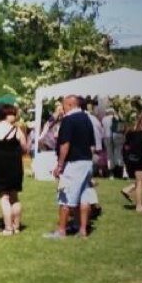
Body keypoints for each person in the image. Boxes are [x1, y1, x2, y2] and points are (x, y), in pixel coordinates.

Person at [46, 95, 96, 239]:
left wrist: (60, 165)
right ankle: (82, 230)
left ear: (69, 104)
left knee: (65, 196)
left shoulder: (68, 120)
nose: (62, 108)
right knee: (84, 196)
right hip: (86, 161)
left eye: (63, 105)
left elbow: (65, 145)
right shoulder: (87, 119)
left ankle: (61, 231)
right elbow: (92, 146)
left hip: (73, 163)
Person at [0, 105, 28, 235]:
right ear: (6, 115)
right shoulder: (17, 130)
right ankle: (16, 226)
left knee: (3, 197)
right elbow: (25, 148)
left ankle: (8, 228)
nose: (15, 116)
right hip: (14, 165)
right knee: (14, 196)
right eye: (13, 114)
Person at [120, 118, 142, 212]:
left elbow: (126, 148)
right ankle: (139, 206)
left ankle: (127, 189)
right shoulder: (140, 135)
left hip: (131, 160)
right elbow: (138, 150)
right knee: (139, 183)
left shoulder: (130, 133)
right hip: (138, 162)